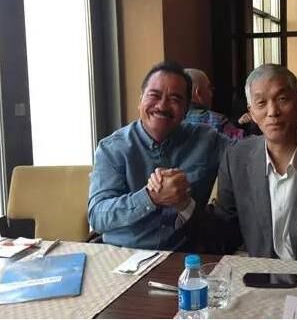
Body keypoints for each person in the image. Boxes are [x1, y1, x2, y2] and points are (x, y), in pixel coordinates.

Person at [152, 64, 297, 276]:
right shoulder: (237, 158)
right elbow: (223, 234)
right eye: (261, 103)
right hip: (261, 281)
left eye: (282, 99)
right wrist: (183, 204)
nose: (272, 111)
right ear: (251, 113)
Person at [88, 62, 231, 250]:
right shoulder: (112, 149)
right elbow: (97, 216)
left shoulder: (207, 140)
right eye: (154, 95)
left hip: (185, 257)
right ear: (140, 100)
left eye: (175, 99)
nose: (162, 106)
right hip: (124, 254)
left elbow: (248, 153)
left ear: (187, 108)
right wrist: (150, 197)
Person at [183, 68, 244, 139]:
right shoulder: (217, 122)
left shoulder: (174, 121)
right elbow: (243, 143)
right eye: (209, 88)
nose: (211, 94)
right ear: (198, 93)